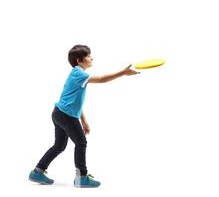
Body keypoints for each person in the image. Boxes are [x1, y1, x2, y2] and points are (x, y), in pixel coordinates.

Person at [28, 45, 139, 188]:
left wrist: (83, 121)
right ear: (79, 60)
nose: (91, 57)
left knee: (59, 145)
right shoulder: (80, 74)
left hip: (59, 113)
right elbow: (102, 79)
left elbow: (74, 102)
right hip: (65, 115)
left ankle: (37, 171)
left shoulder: (76, 74)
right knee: (81, 143)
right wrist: (123, 72)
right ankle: (82, 177)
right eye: (88, 56)